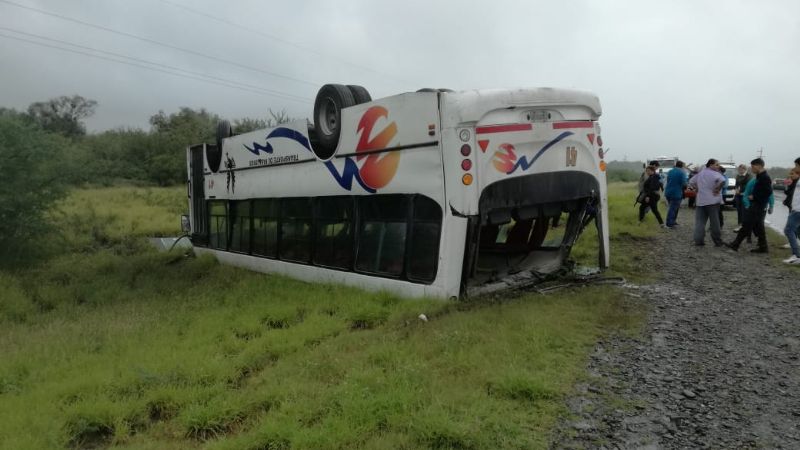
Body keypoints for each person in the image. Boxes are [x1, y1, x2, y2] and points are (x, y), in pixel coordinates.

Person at [726, 158, 772, 252]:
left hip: (758, 205)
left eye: (753, 166)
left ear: (759, 165)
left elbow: (768, 192)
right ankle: (763, 247)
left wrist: (754, 197)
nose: (751, 168)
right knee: (759, 226)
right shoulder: (760, 176)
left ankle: (735, 244)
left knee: (747, 224)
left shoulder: (765, 177)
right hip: (758, 205)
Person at [688, 159, 726, 246]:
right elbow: (723, 181)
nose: (718, 166)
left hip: (701, 201)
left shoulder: (700, 173)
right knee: (715, 222)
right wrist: (717, 189)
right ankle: (717, 241)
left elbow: (691, 182)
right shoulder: (716, 174)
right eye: (716, 165)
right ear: (710, 165)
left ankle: (698, 240)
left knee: (700, 222)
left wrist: (697, 188)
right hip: (713, 201)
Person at [782, 167, 800, 264]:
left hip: (798, 210)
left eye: (793, 174)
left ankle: (796, 256)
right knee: (796, 230)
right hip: (795, 209)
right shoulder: (795, 182)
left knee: (788, 230)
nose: (791, 176)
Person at [664, 160, 688, 228]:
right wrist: (686, 187)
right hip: (676, 192)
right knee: (673, 208)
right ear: (682, 166)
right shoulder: (682, 172)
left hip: (668, 192)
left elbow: (668, 180)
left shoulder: (670, 171)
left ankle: (673, 221)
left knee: (673, 208)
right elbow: (684, 183)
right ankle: (670, 223)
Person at [733, 164, 752, 231]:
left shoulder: (749, 176)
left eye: (741, 169)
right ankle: (740, 224)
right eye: (739, 169)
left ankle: (745, 226)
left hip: (745, 196)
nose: (740, 170)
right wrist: (736, 189)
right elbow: (736, 184)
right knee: (739, 211)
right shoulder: (738, 176)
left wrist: (741, 191)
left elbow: (748, 186)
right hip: (738, 195)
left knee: (744, 211)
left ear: (745, 169)